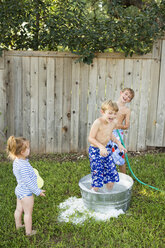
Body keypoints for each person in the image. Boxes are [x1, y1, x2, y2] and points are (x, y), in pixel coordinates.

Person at [6, 136, 46, 236]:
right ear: (22, 152)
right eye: (27, 148)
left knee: (19, 209)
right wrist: (38, 191)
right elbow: (28, 182)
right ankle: (29, 232)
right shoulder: (23, 165)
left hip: (19, 190)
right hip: (26, 193)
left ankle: (18, 225)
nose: (29, 149)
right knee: (28, 213)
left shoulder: (17, 161)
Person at [88, 100, 127, 192]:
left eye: (115, 114)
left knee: (111, 173)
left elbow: (110, 135)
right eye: (110, 113)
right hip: (95, 151)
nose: (112, 116)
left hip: (106, 150)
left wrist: (119, 143)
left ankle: (109, 195)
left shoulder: (113, 122)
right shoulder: (98, 122)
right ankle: (92, 195)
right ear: (102, 112)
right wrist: (101, 146)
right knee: (98, 174)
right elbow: (91, 138)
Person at [108, 88, 135, 174]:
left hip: (117, 133)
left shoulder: (127, 110)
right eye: (126, 94)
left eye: (129, 97)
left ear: (129, 101)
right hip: (107, 132)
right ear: (121, 93)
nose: (126, 97)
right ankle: (107, 176)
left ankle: (124, 178)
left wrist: (117, 126)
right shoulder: (111, 105)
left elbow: (126, 126)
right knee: (106, 154)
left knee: (119, 154)